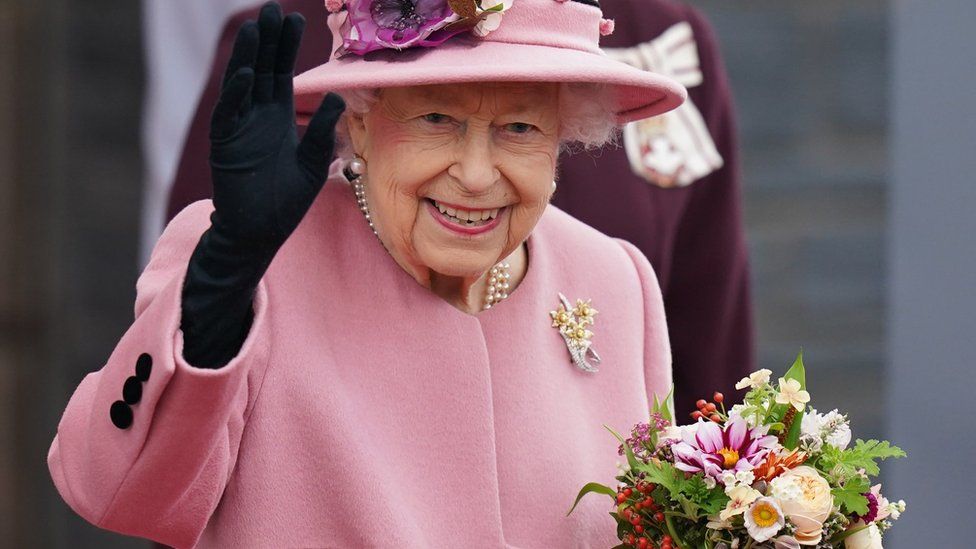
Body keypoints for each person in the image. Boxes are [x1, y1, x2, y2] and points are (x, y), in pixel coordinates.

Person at [48, 1, 684, 546]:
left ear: (563, 137)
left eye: (519, 128)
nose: (476, 173)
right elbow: (116, 497)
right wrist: (223, 286)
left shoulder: (614, 281)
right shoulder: (250, 260)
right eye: (437, 120)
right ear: (359, 120)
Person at [164, 0, 753, 414]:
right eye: (437, 119)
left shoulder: (667, 37)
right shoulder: (297, 40)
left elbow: (710, 340)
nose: (476, 176)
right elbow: (173, 438)